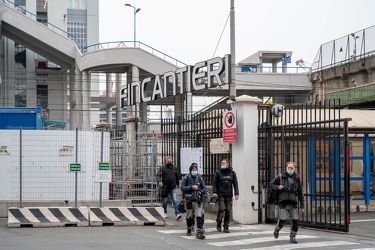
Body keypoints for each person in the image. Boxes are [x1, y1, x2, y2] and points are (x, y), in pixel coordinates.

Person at [270, 161, 305, 244]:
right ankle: (277, 229)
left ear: (294, 169)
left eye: (291, 168)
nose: (290, 169)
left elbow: (300, 192)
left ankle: (292, 236)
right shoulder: (280, 176)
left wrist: (302, 206)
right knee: (282, 219)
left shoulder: (297, 178)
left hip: (293, 202)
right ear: (286, 168)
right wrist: (278, 187)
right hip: (283, 201)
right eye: (289, 167)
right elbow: (271, 185)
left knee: (295, 221)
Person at [212, 158, 239, 233]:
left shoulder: (232, 173)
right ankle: (219, 223)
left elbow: (235, 183)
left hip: (229, 195)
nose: (222, 164)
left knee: (228, 210)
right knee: (222, 209)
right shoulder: (218, 173)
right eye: (222, 163)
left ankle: (226, 226)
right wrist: (214, 192)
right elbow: (214, 183)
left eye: (224, 163)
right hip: (220, 194)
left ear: (228, 164)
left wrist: (236, 193)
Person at [180, 163, 207, 239]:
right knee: (189, 215)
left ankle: (199, 231)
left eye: (195, 170)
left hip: (198, 199)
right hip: (189, 199)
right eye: (193, 170)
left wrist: (200, 191)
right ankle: (189, 228)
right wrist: (191, 187)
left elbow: (204, 187)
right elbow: (182, 188)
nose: (194, 171)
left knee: (199, 215)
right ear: (190, 170)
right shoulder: (186, 177)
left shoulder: (199, 178)